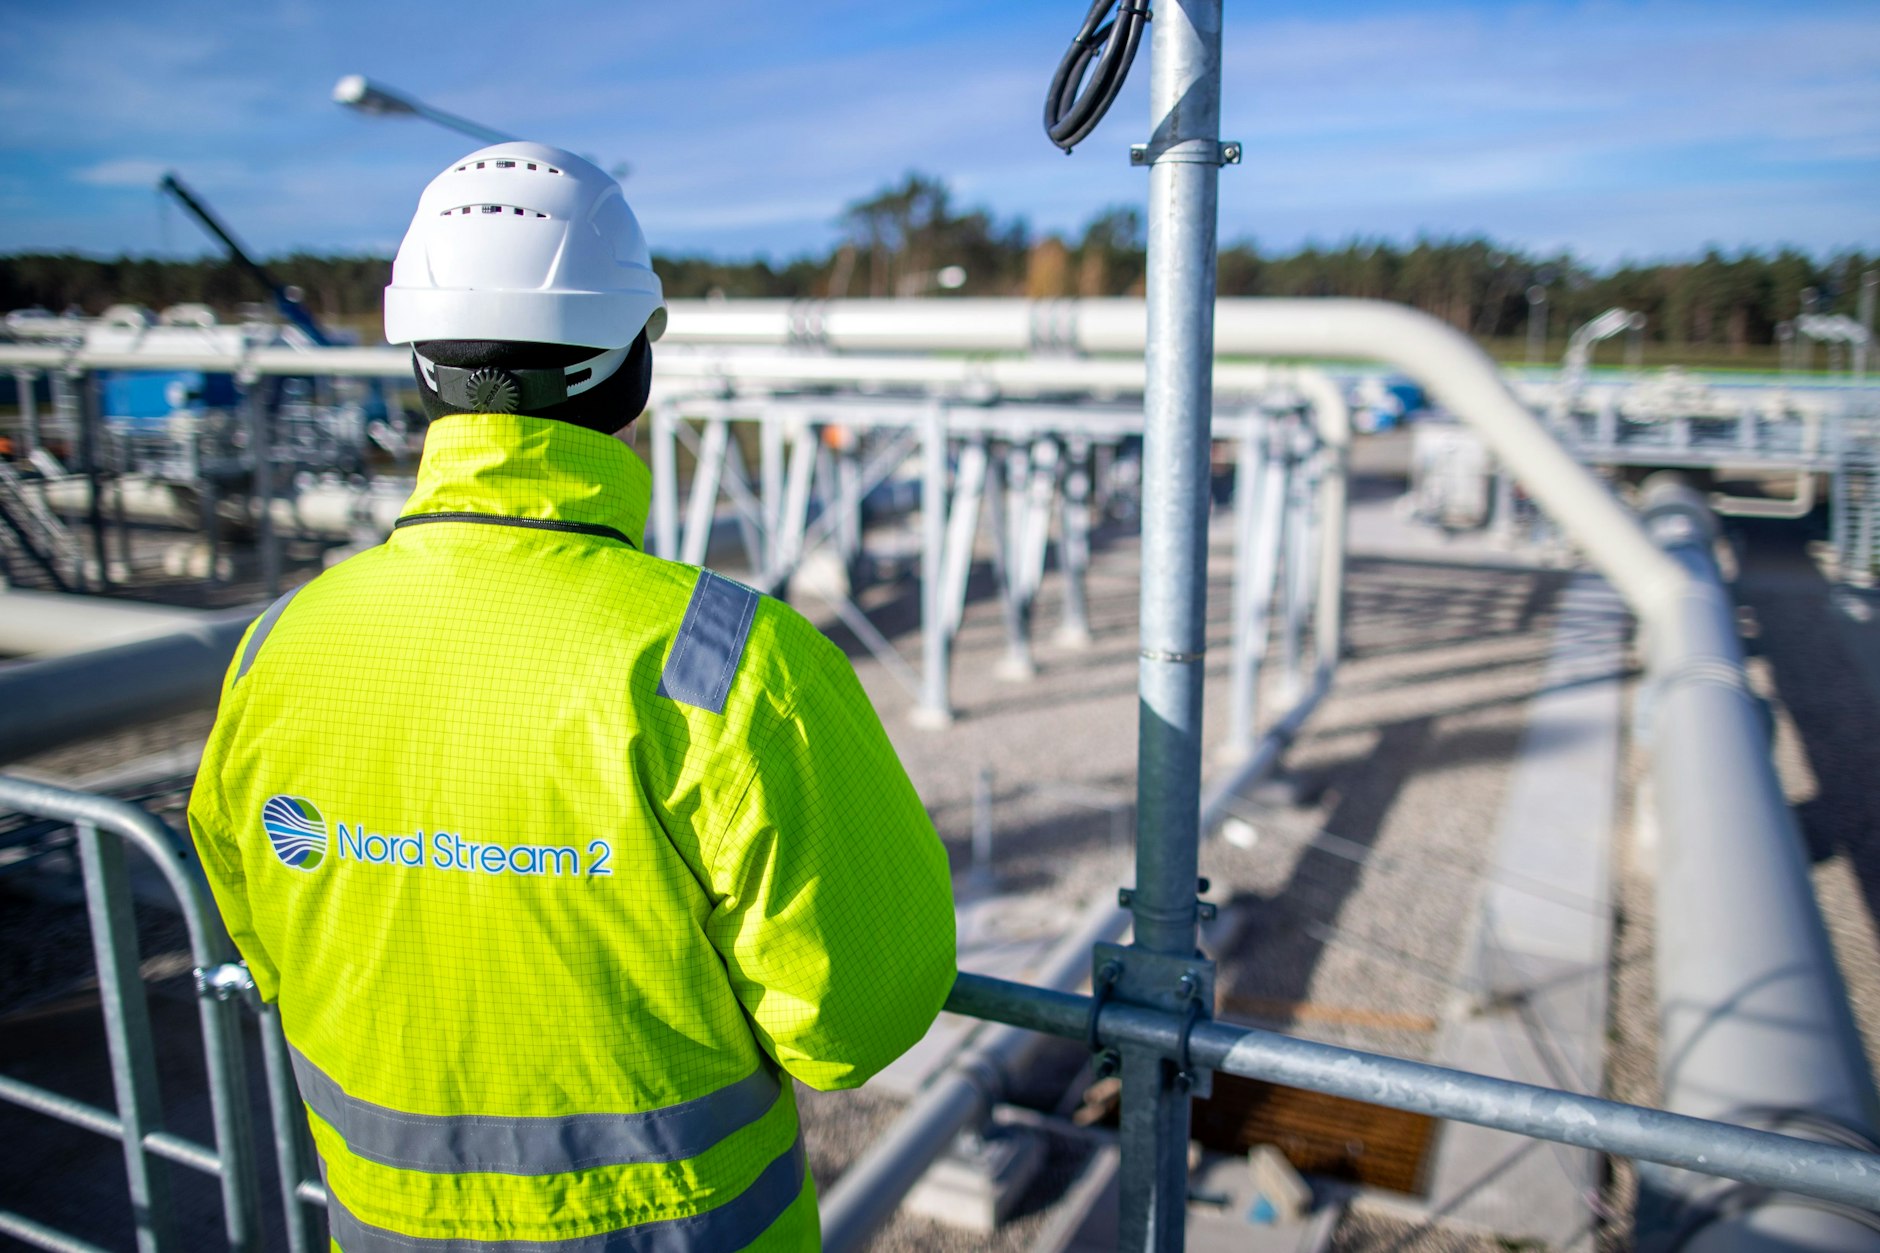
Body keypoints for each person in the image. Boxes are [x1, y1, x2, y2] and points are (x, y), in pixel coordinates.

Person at [187, 143, 957, 1252]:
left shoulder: (278, 649)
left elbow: (265, 939)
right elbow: (855, 1016)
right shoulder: (732, 665)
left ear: (420, 365)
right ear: (630, 365)